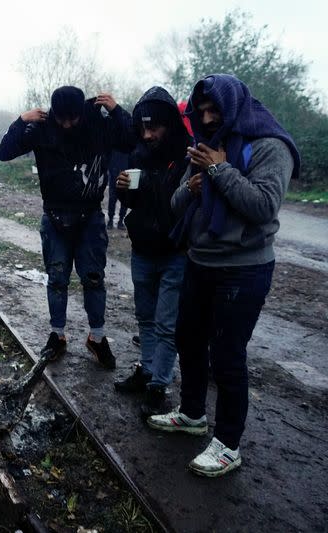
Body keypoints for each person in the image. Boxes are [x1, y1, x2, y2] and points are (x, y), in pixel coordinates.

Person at [149, 74, 299, 477]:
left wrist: (220, 172)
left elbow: (264, 206)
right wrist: (194, 186)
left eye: (216, 110)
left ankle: (229, 443)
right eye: (202, 112)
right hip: (200, 261)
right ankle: (193, 414)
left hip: (244, 269)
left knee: (228, 358)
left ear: (233, 107)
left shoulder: (270, 146)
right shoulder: (204, 145)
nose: (209, 118)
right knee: (189, 341)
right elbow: (178, 203)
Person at [0, 86, 134, 369]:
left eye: (73, 119)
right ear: (54, 114)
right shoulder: (43, 129)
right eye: (63, 120)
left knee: (94, 277)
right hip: (55, 217)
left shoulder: (99, 125)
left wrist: (117, 110)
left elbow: (132, 141)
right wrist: (22, 121)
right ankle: (57, 335)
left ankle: (97, 337)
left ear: (81, 113)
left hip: (90, 217)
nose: (68, 125)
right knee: (57, 277)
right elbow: (4, 152)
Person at [112, 86, 192, 417]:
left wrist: (145, 186)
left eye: (154, 127)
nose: (148, 134)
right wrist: (123, 192)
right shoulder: (138, 156)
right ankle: (146, 371)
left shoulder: (187, 158)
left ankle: (159, 385)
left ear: (169, 124)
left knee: (166, 323)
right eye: (143, 127)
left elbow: (176, 206)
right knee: (144, 317)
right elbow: (135, 203)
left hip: (175, 253)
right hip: (142, 250)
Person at [107, 150, 130, 229]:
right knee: (112, 198)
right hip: (113, 173)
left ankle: (120, 221)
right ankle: (110, 220)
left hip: (126, 173)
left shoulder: (129, 146)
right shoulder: (114, 143)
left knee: (125, 199)